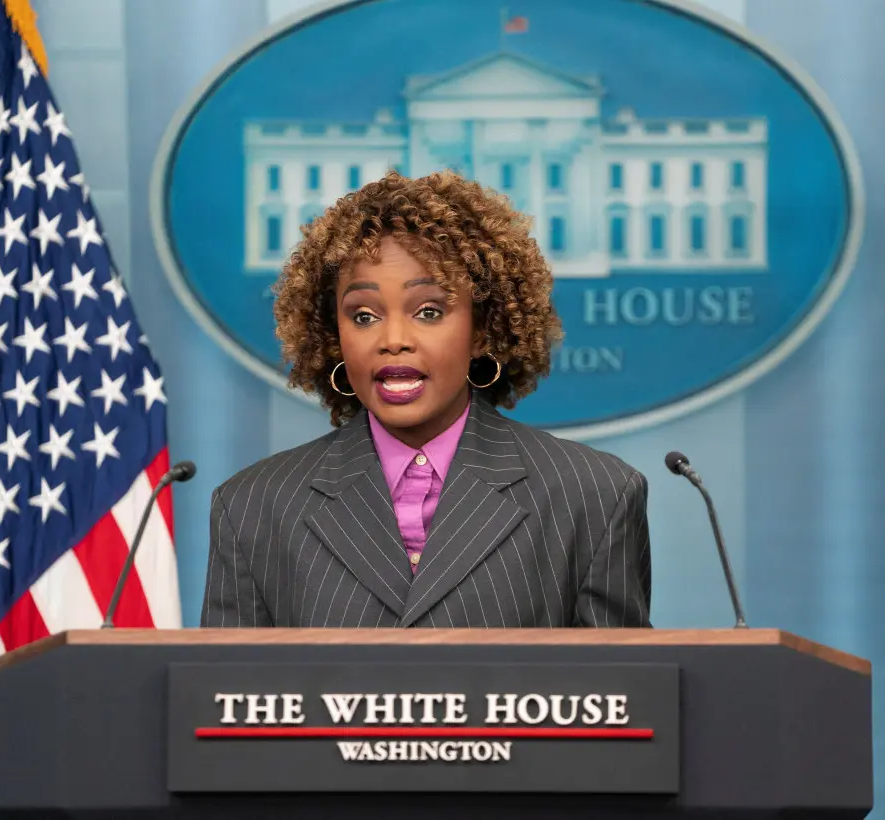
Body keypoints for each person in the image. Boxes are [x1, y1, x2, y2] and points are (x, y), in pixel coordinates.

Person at [200, 170, 651, 628]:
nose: (393, 339)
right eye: (363, 315)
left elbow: (623, 694)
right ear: (333, 336)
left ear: (482, 329)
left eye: (429, 312)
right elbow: (224, 696)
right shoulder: (254, 507)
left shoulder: (593, 496)